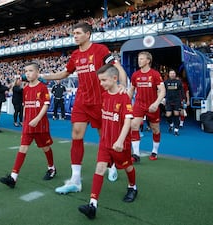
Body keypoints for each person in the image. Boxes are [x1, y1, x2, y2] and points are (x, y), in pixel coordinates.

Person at [40, 22, 128, 194]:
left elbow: (117, 68)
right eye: (74, 33)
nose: (75, 36)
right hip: (82, 101)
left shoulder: (100, 50)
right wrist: (45, 77)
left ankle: (112, 166)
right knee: (76, 135)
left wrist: (123, 84)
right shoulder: (74, 55)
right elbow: (65, 73)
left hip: (101, 102)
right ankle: (75, 179)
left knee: (106, 139)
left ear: (88, 34)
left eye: (78, 33)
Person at [78, 64, 137, 220]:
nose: (101, 83)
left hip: (120, 144)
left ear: (115, 78)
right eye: (100, 80)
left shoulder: (124, 97)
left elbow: (127, 121)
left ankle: (132, 187)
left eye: (104, 80)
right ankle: (92, 204)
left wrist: (119, 140)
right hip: (105, 142)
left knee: (127, 166)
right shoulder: (104, 96)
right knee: (100, 168)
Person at [0, 62, 56, 188]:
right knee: (22, 148)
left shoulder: (42, 87)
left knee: (45, 148)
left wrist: (37, 119)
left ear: (37, 72)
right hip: (28, 126)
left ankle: (52, 168)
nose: (28, 73)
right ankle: (13, 178)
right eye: (26, 71)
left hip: (40, 125)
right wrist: (25, 120)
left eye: (30, 71)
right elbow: (25, 106)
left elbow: (46, 105)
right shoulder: (25, 89)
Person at [128, 51, 166, 162]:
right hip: (139, 105)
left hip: (152, 106)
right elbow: (131, 90)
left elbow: (162, 91)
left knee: (155, 129)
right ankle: (135, 154)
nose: (139, 61)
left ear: (148, 60)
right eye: (139, 59)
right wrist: (125, 103)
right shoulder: (135, 75)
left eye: (141, 59)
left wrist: (156, 103)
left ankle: (155, 151)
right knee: (134, 126)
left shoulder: (155, 74)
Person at [164, 69, 185, 136]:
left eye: (173, 73)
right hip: (168, 100)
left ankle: (176, 130)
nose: (172, 74)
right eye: (171, 73)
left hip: (177, 100)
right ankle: (171, 124)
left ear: (175, 74)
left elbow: (182, 91)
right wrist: (163, 99)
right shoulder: (166, 82)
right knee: (168, 115)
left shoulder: (178, 82)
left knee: (176, 114)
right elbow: (163, 91)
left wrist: (183, 99)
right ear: (169, 74)